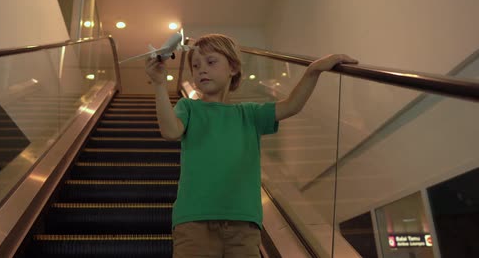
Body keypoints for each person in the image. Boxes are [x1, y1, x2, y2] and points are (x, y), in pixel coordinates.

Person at [145, 34, 357, 257]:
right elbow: (170, 131)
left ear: (233, 68)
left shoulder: (249, 113)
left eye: (211, 62)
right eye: (196, 66)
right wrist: (159, 84)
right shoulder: (188, 107)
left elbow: (292, 105)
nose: (201, 70)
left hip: (243, 223)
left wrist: (314, 70)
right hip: (194, 222)